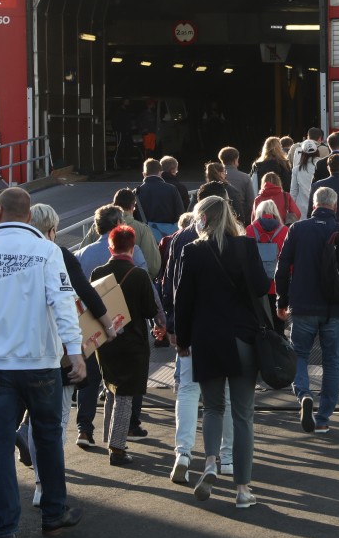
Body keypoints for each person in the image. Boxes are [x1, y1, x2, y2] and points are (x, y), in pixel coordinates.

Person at [0, 187, 85, 538]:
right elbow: (62, 304)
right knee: (47, 437)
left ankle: (5, 527)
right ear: (30, 217)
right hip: (41, 363)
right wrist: (75, 351)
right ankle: (54, 514)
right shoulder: (47, 251)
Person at [174, 196, 268, 508]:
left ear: (204, 219)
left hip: (208, 339)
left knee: (213, 408)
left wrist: (182, 341)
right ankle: (242, 490)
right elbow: (260, 286)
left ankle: (211, 463)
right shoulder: (247, 247)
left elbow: (183, 300)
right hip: (243, 337)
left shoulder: (193, 251)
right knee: (243, 415)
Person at [28, 203, 117, 507]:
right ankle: (49, 485)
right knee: (56, 418)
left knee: (32, 416)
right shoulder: (59, 254)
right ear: (52, 229)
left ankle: (39, 481)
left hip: (20, 350)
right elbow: (83, 292)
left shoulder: (16, 254)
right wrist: (107, 323)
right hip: (58, 348)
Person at [275, 186, 339, 434]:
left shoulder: (297, 230)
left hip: (302, 306)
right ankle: (323, 418)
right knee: (332, 361)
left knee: (299, 354)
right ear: (334, 207)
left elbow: (282, 268)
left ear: (313, 205)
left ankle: (303, 394)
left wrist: (282, 301)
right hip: (335, 307)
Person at [160, 211, 235, 485]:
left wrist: (175, 329)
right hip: (226, 332)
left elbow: (174, 289)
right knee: (223, 396)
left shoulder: (183, 242)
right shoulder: (236, 244)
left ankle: (183, 453)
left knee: (188, 391)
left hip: (192, 330)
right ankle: (225, 458)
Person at [92, 225, 163, 466]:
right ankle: (117, 448)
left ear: (110, 246)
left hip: (106, 341)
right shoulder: (139, 275)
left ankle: (109, 437)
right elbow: (149, 310)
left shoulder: (98, 273)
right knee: (125, 395)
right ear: (132, 248)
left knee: (111, 388)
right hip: (133, 343)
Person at [114, 187, 162, 279]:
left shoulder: (98, 227)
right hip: (135, 282)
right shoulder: (142, 229)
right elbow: (153, 265)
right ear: (132, 206)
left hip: (105, 287)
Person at [138, 158, 186, 227]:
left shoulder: (137, 191)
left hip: (146, 232)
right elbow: (180, 213)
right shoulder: (172, 189)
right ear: (160, 172)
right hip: (169, 232)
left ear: (144, 174)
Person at [220, 146, 256, 224]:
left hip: (220, 217)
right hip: (240, 218)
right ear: (235, 160)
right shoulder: (245, 177)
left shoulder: (216, 177)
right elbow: (251, 202)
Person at [289, 138, 320, 218]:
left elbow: (293, 192)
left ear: (302, 154)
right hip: (319, 208)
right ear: (316, 152)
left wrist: (291, 211)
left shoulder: (296, 170)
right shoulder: (322, 166)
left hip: (302, 211)